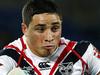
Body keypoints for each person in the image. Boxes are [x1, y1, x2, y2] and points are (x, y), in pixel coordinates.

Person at [0, 0, 100, 75]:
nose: (49, 37)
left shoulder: (83, 52)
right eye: (40, 29)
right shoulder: (10, 56)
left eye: (55, 28)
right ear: (25, 29)